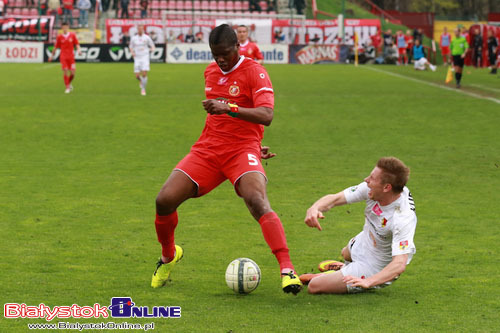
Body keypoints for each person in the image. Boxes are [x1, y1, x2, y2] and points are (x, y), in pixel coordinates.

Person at [150, 24, 302, 295]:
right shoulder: (210, 71)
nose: (220, 59)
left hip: (241, 151)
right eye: (215, 53)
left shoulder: (255, 72)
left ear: (237, 47)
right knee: (164, 200)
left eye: (225, 53)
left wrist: (233, 113)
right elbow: (219, 119)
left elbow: (266, 114)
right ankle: (168, 256)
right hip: (207, 150)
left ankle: (287, 269)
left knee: (257, 201)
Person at [300, 157, 417, 294]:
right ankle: (344, 269)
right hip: (366, 240)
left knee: (314, 286)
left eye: (372, 178)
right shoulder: (371, 189)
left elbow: (399, 264)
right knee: (346, 253)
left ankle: (331, 276)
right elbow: (336, 198)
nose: (366, 180)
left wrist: (368, 281)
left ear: (387, 187)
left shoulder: (402, 218)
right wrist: (315, 208)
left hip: (375, 267)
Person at [48, 22, 82, 94]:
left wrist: (79, 50)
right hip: (63, 56)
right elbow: (55, 47)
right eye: (63, 27)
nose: (65, 28)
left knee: (73, 74)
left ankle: (68, 84)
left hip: (71, 57)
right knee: (65, 70)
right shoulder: (60, 37)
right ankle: (67, 88)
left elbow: (77, 44)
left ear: (68, 27)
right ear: (62, 28)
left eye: (66, 27)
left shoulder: (72, 35)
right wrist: (51, 56)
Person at [129, 25, 155, 96]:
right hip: (137, 58)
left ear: (143, 29)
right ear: (137, 30)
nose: (140, 30)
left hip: (145, 57)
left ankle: (143, 89)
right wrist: (132, 52)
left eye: (141, 29)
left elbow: (152, 45)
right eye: (139, 29)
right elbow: (131, 47)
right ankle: (141, 81)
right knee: (137, 76)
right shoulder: (134, 38)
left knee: (144, 74)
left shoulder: (146, 37)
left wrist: (152, 49)